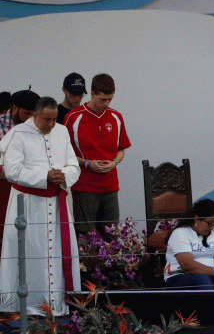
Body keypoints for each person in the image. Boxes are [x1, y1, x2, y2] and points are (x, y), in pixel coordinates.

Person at [0, 97, 81, 316]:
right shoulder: (17, 135)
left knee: (57, 254)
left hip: (56, 204)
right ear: (35, 115)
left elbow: (73, 164)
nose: (51, 124)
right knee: (30, 256)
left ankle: (59, 306)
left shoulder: (62, 132)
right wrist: (44, 176)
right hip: (28, 205)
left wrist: (64, 176)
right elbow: (12, 171)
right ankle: (26, 307)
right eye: (47, 119)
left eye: (55, 119)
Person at [64, 73, 131, 237]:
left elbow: (121, 150)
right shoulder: (73, 117)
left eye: (110, 99)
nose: (106, 104)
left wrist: (115, 162)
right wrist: (87, 163)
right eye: (103, 99)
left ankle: (112, 263)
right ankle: (84, 264)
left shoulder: (116, 117)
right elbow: (64, 154)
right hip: (84, 186)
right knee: (86, 236)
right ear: (92, 94)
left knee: (111, 234)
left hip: (110, 186)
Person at [164, 199, 214, 291]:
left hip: (210, 274)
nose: (212, 227)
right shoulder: (180, 233)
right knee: (203, 279)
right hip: (180, 276)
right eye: (209, 223)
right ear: (197, 218)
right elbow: (187, 265)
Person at [0, 90, 40, 180]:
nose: (30, 118)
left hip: (30, 184)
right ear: (15, 108)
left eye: (34, 115)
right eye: (27, 113)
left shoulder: (39, 126)